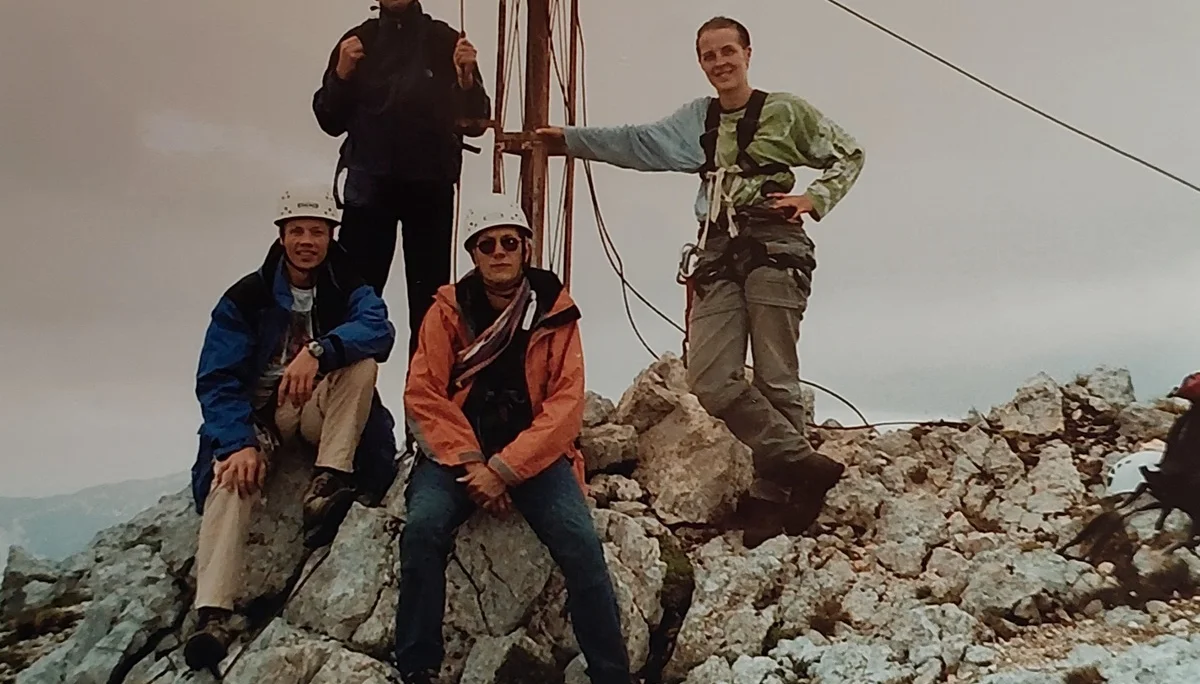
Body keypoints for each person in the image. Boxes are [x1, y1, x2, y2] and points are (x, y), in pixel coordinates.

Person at [536, 16, 865, 546]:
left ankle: (773, 496)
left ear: (747, 52)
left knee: (777, 375)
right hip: (717, 247)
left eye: (727, 51)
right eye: (709, 55)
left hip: (774, 245)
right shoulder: (698, 120)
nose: (720, 63)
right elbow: (638, 143)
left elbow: (849, 153)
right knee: (710, 378)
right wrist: (568, 142)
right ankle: (806, 465)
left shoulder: (785, 111)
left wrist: (813, 199)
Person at [395, 193, 632, 684]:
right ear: (474, 254)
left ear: (525, 247)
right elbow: (424, 394)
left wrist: (503, 470)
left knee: (581, 544)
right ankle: (418, 667)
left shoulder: (557, 313)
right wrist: (472, 463)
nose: (498, 251)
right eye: (486, 244)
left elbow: (566, 406)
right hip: (456, 456)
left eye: (508, 241)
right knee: (422, 530)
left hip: (535, 456)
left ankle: (612, 673)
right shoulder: (446, 312)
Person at [184, 188, 398, 672]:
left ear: (330, 237)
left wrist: (319, 350)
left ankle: (328, 480)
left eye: (317, 231)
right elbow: (216, 380)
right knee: (230, 477)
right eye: (297, 231)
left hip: (315, 408)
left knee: (362, 365)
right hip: (262, 416)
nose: (307, 241)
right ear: (281, 237)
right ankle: (213, 613)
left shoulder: (348, 285)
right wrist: (237, 442)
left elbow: (379, 330)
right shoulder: (247, 297)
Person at [312, 0, 492, 362]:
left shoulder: (445, 41)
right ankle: (353, 408)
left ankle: (423, 412)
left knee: (430, 309)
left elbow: (477, 121)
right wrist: (341, 76)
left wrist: (466, 80)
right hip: (369, 192)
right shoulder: (356, 42)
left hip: (429, 189)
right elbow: (328, 119)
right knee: (354, 301)